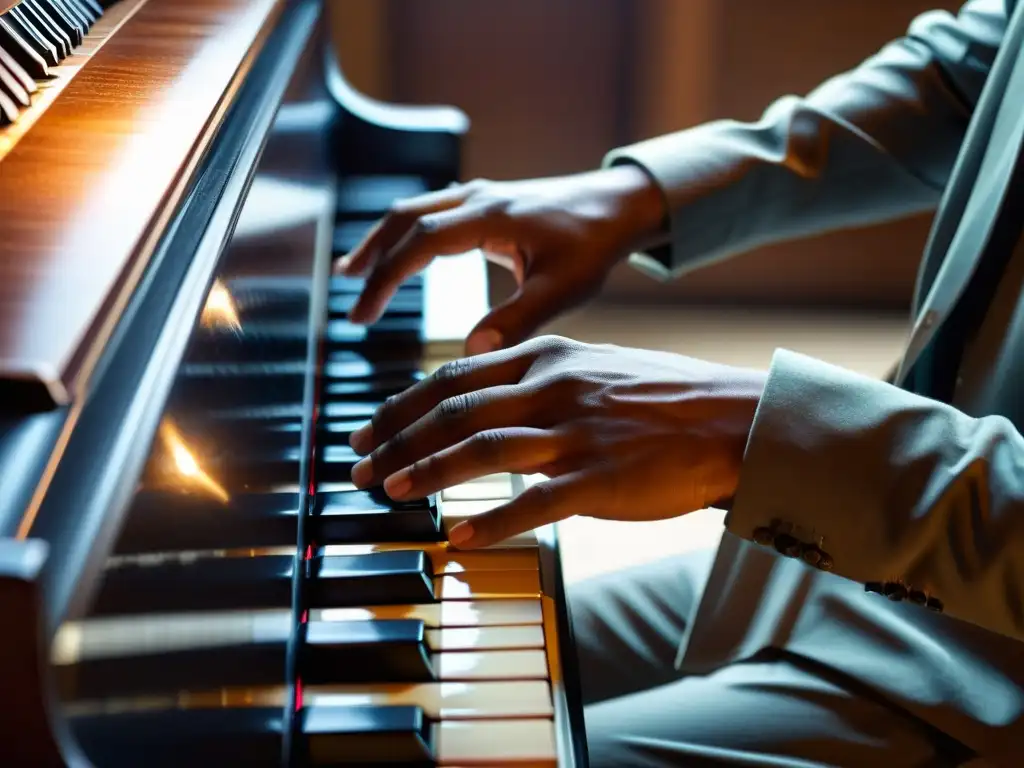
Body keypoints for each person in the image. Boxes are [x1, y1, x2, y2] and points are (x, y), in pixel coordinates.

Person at [339, 0, 1023, 764]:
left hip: (996, 661)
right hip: (851, 558)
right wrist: (642, 195)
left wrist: (758, 434)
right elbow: (984, 61)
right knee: (400, 652)